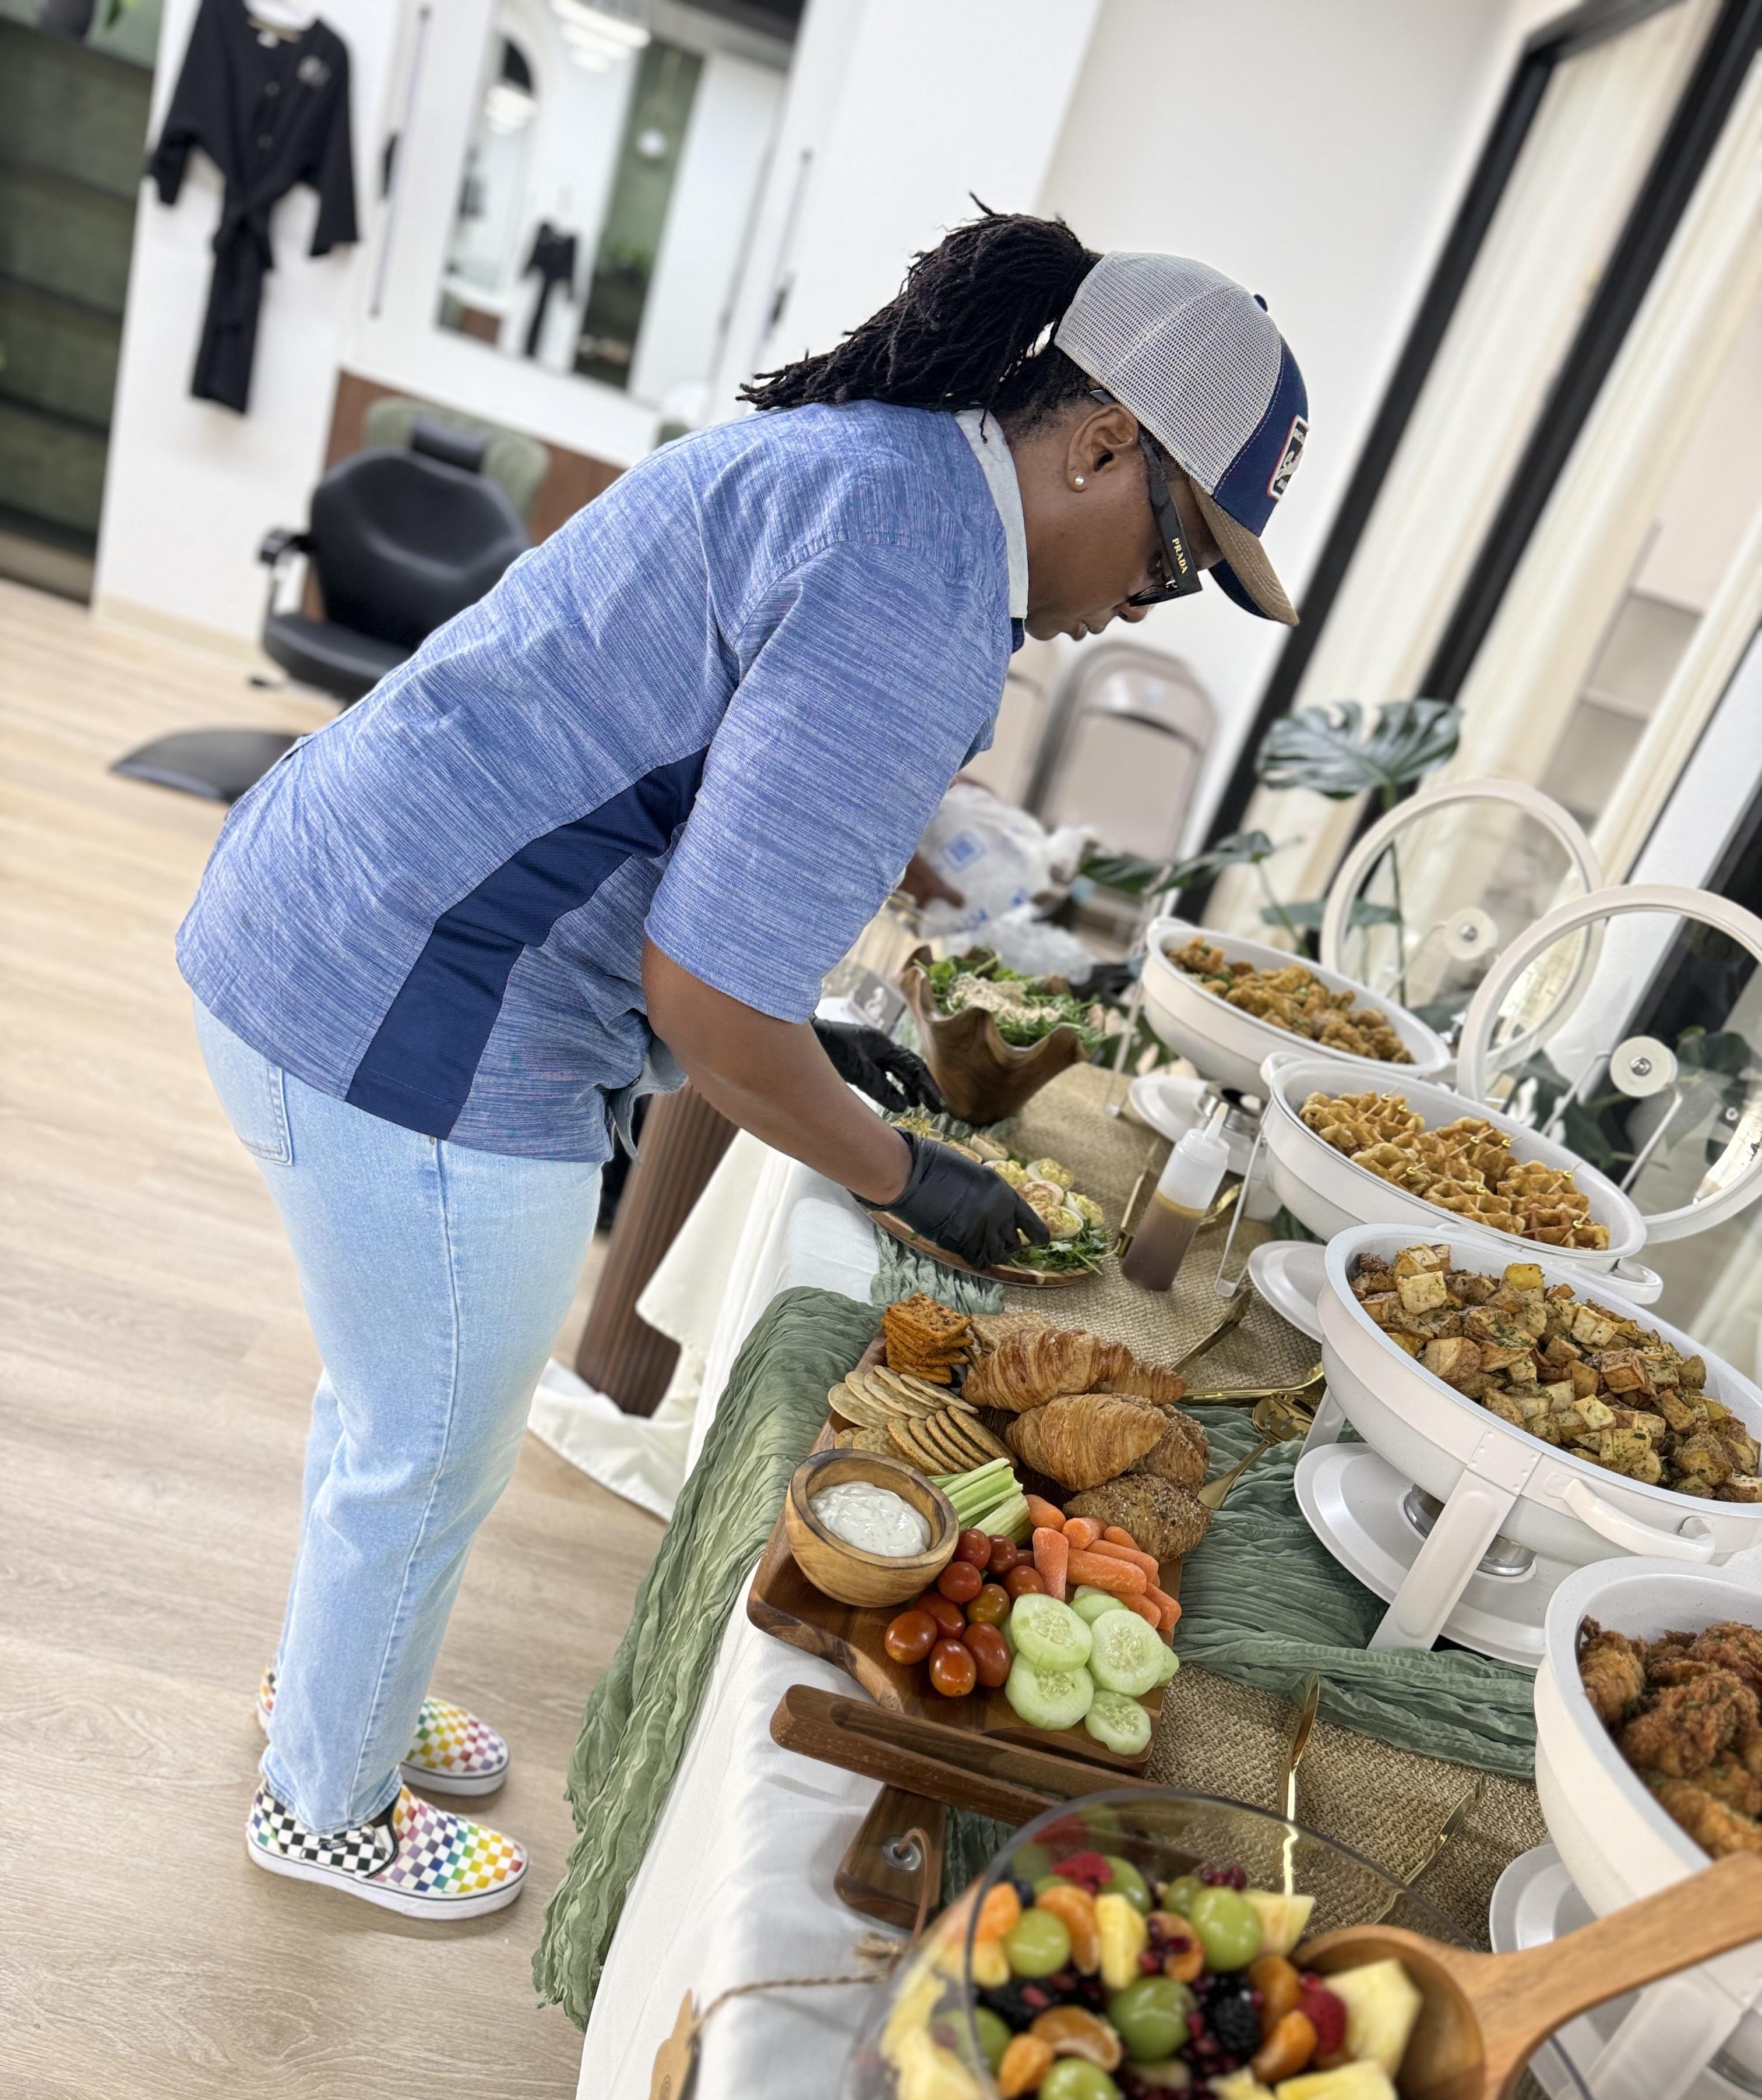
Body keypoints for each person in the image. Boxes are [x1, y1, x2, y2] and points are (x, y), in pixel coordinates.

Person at [179, 210, 1308, 1919]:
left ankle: (342, 1702)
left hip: (327, 914)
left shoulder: (882, 472)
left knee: (393, 1406)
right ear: (1099, 443)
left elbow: (692, 850)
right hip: (413, 1008)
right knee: (428, 1447)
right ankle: (322, 1804)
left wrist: (810, 1040)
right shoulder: (923, 590)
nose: (1140, 606)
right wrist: (905, 1176)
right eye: (1172, 560)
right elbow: (710, 1004)